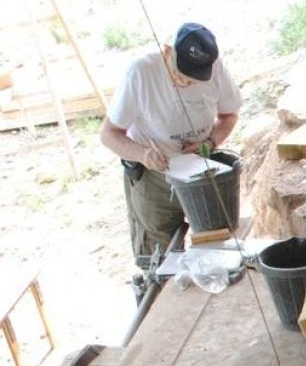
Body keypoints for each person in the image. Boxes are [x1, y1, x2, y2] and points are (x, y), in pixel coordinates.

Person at [101, 22, 242, 261]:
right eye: (180, 74)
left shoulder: (215, 68)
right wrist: (142, 154)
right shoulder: (139, 73)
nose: (186, 83)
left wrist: (211, 141)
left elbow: (229, 115)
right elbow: (109, 134)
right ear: (167, 52)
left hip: (202, 170)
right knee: (159, 256)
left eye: (194, 79)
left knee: (218, 246)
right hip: (154, 177)